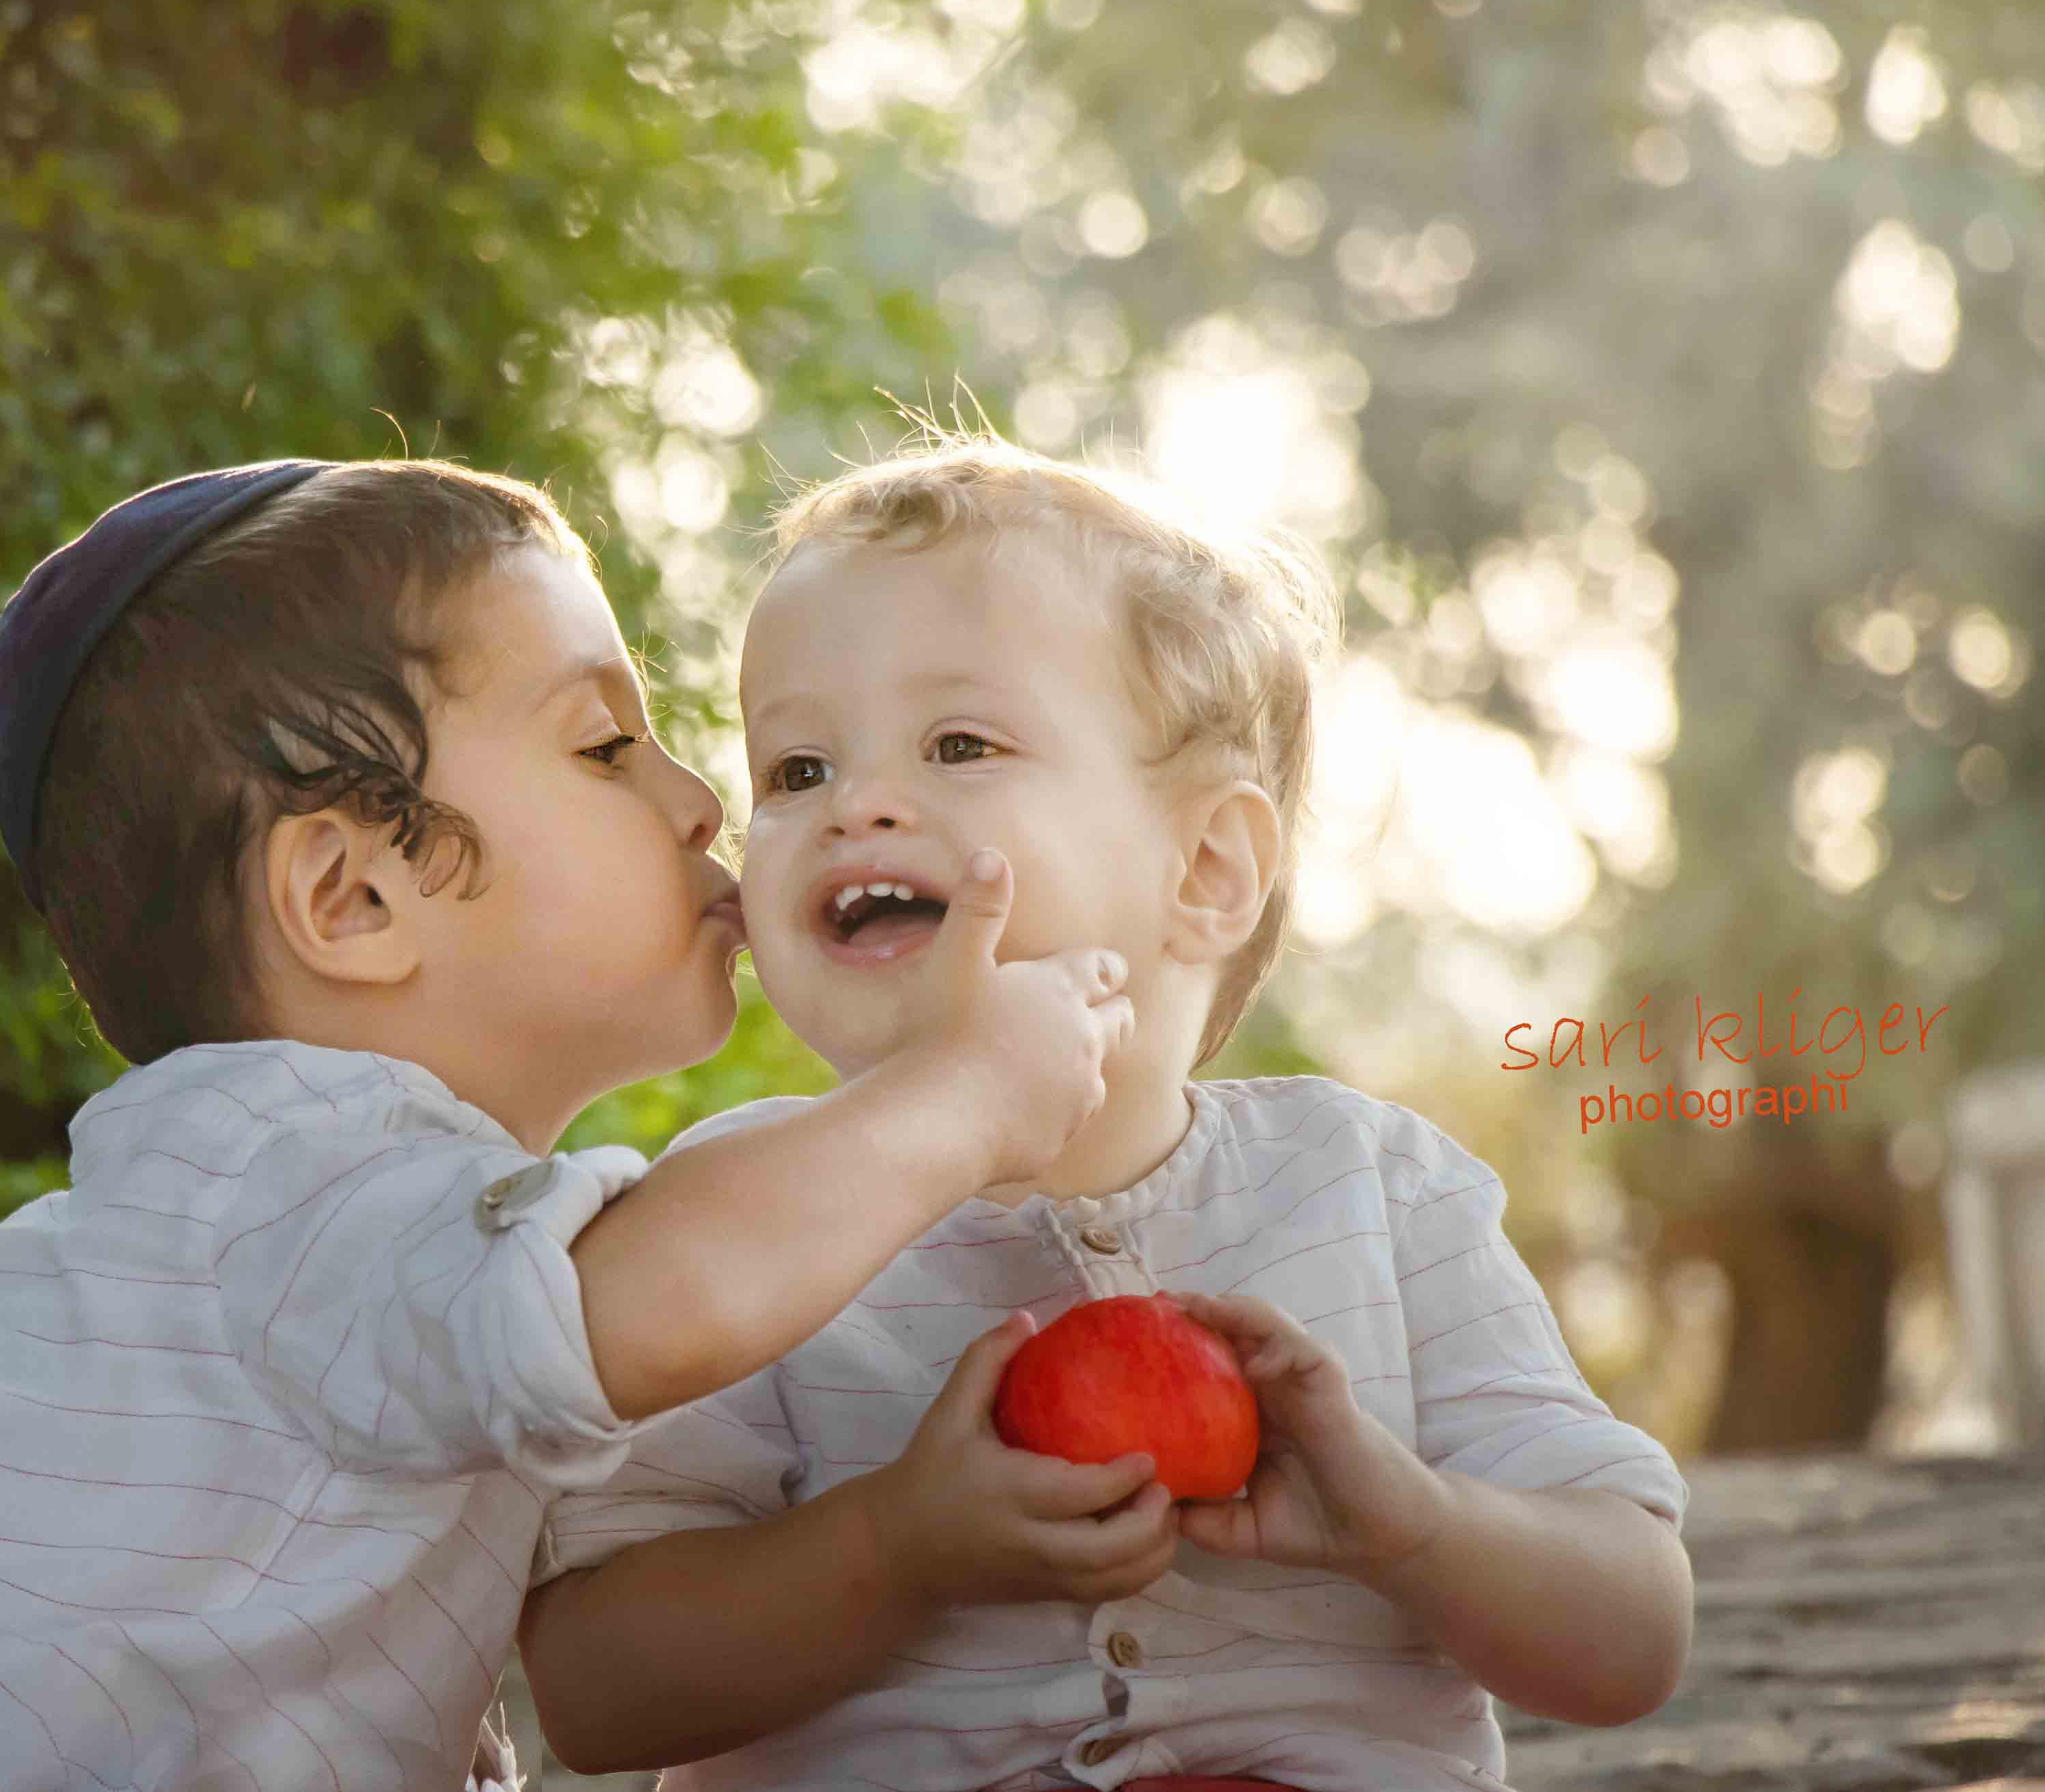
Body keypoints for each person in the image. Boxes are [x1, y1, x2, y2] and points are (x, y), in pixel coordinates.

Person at [0, 457, 1138, 1792]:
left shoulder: (313, 1237)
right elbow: (666, 1291)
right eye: (601, 742)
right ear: (351, 896)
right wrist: (965, 1096)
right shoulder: (286, 1160)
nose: (703, 796)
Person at [517, 439, 1695, 1792]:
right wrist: (894, 1546)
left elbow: (1634, 1636)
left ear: (1205, 865)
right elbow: (597, 1694)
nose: (858, 804)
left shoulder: (1378, 1192)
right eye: (794, 769)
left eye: (959, 743)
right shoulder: (731, 1223)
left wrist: (1409, 1521)